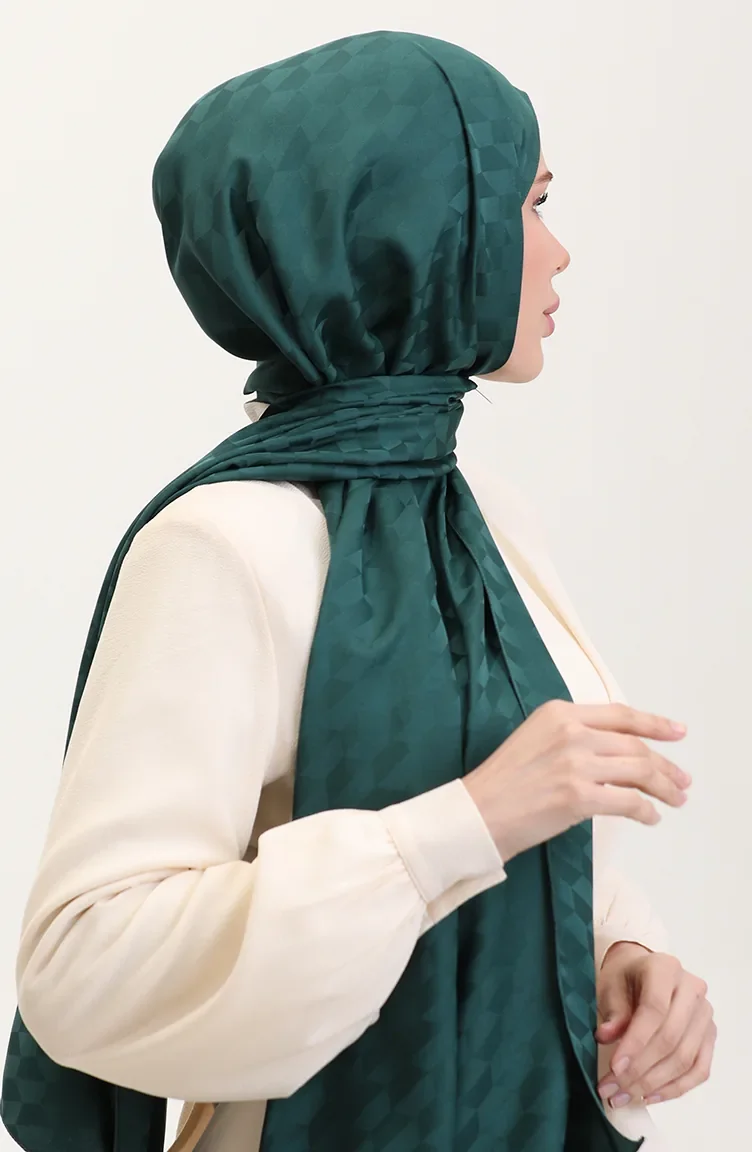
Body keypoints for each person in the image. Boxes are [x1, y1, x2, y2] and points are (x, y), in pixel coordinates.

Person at [1, 28, 714, 1152]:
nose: (561, 252)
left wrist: (623, 956)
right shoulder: (227, 544)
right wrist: (466, 821)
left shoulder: (482, 516)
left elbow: (526, 860)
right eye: (530, 206)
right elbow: (82, 969)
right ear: (418, 229)